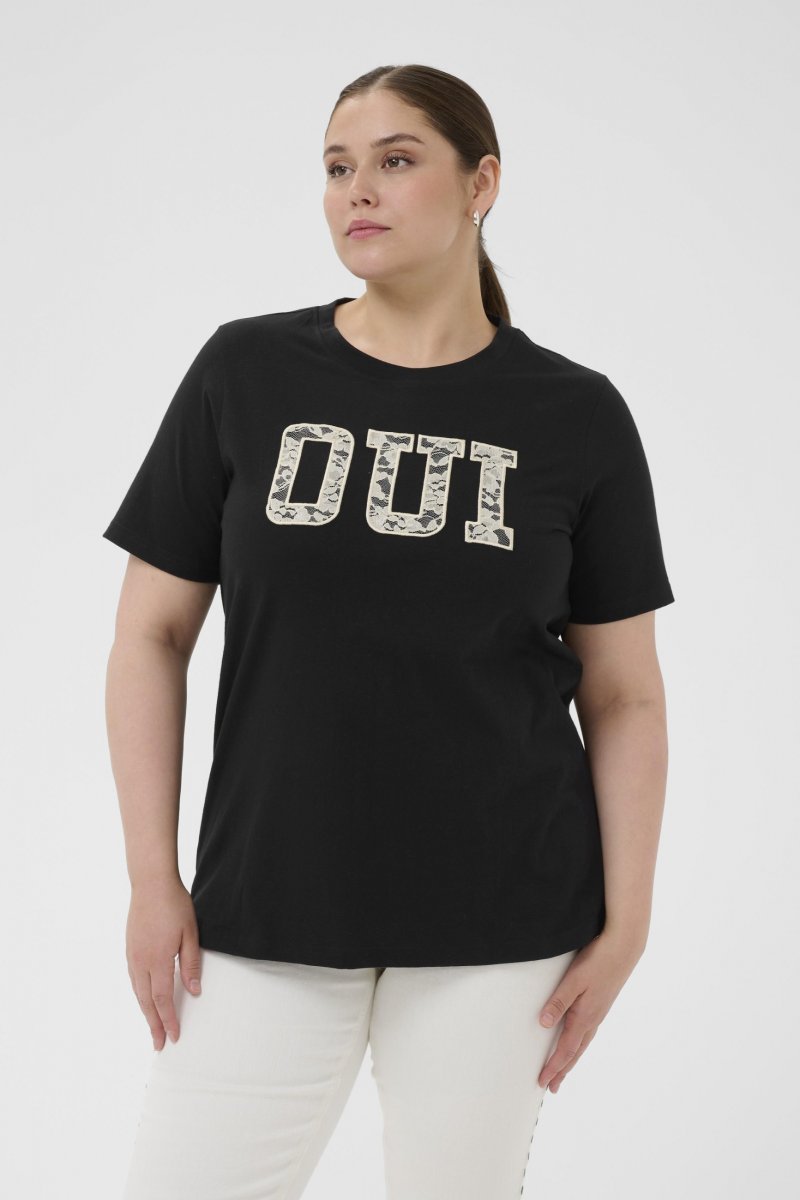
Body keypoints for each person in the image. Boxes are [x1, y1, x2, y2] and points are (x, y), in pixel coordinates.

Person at [103, 63, 675, 1200]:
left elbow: (623, 693)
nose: (355, 190)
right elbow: (150, 638)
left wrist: (629, 923)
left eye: (395, 160)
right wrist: (150, 879)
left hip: (501, 923)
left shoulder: (575, 415)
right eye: (336, 167)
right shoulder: (245, 371)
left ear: (481, 184)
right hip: (264, 906)